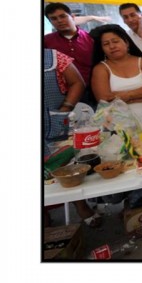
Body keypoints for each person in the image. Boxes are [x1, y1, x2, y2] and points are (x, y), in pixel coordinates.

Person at [43, 48, 100, 227]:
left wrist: (65, 108)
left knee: (65, 166)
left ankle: (82, 208)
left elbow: (77, 82)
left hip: (53, 122)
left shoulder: (52, 56)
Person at [90, 24, 142, 131]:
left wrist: (123, 96)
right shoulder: (100, 69)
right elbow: (104, 99)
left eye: (115, 41)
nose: (112, 46)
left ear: (126, 42)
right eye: (106, 44)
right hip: (117, 128)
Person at [44, 2, 96, 107]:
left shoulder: (92, 38)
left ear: (72, 17)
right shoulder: (46, 42)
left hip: (92, 93)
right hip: (61, 97)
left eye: (62, 16)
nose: (59, 21)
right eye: (54, 19)